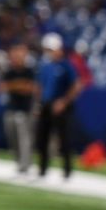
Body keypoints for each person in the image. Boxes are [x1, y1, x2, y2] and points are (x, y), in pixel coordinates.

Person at [35, 33, 83, 179]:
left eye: (51, 49)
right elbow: (40, 87)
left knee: (65, 138)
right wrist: (38, 104)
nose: (49, 52)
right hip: (46, 104)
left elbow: (76, 85)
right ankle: (42, 169)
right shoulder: (45, 66)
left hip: (62, 106)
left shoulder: (66, 65)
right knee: (42, 137)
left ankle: (67, 170)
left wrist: (63, 101)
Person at [0, 44, 36, 175]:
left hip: (26, 108)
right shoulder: (9, 72)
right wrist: (18, 85)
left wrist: (12, 86)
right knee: (12, 137)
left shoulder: (30, 71)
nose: (17, 59)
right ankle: (19, 161)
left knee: (25, 138)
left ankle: (25, 164)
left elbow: (30, 88)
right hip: (11, 109)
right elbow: (0, 87)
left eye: (19, 56)